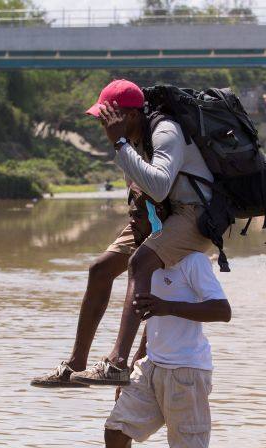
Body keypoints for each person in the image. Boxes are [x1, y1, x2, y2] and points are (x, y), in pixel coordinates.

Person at [70, 79, 216, 387]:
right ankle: (75, 364)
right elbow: (140, 191)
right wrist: (140, 221)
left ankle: (119, 363)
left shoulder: (166, 133)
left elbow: (160, 185)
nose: (102, 121)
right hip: (162, 213)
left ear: (132, 115)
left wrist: (119, 145)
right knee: (100, 269)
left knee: (140, 264)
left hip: (195, 215)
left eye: (108, 115)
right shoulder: (132, 139)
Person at [100, 193, 230, 448]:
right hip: (151, 366)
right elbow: (150, 320)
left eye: (137, 216)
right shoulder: (147, 263)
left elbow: (222, 310)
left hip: (186, 371)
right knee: (115, 433)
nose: (132, 223)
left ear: (160, 216)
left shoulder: (193, 260)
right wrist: (132, 367)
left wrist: (169, 306)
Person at [29, 182, 166, 388]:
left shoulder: (157, 148)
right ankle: (76, 363)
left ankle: (126, 362)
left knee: (150, 273)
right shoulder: (127, 149)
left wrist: (141, 355)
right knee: (100, 269)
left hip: (175, 216)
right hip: (144, 212)